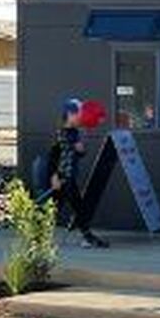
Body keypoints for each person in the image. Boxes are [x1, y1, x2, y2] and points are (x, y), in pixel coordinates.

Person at [47, 97, 109, 249]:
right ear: (69, 114)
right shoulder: (62, 133)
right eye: (77, 113)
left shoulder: (76, 132)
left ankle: (39, 236)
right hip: (62, 177)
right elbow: (53, 156)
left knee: (57, 208)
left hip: (69, 176)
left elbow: (77, 152)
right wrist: (53, 176)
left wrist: (81, 150)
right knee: (75, 208)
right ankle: (86, 236)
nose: (80, 116)